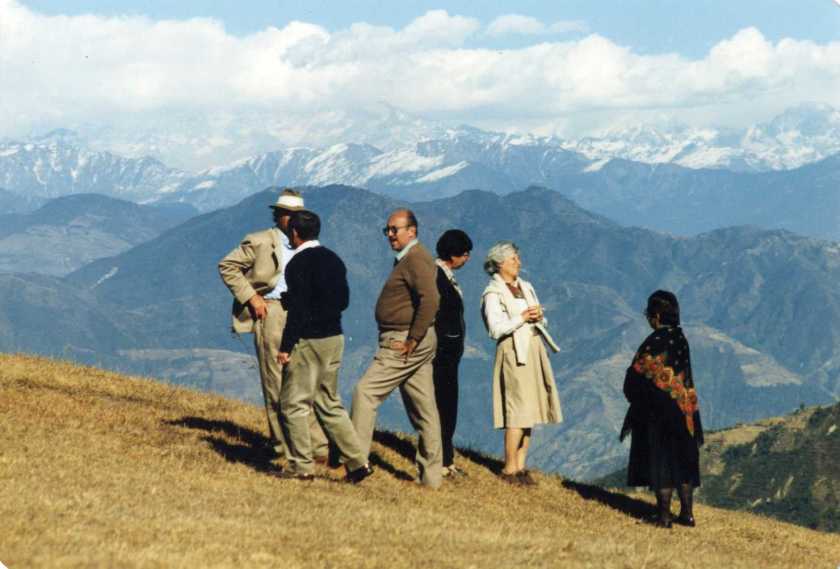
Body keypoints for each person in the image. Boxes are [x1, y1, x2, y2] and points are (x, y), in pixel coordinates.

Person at [218, 188, 328, 461]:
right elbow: (227, 266)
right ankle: (282, 445)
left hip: (301, 313)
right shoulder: (260, 241)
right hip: (272, 311)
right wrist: (252, 297)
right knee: (275, 381)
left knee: (305, 381)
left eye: (296, 214)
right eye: (287, 214)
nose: (292, 219)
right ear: (278, 215)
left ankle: (317, 446)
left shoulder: (305, 243)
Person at [275, 211, 373, 483]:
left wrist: (286, 346)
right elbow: (343, 301)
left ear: (294, 233)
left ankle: (301, 466)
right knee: (329, 402)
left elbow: (299, 311)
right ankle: (358, 462)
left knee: (293, 404)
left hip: (309, 340)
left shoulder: (297, 263)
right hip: (335, 337)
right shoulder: (333, 259)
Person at [350, 208, 443, 488]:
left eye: (395, 230)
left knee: (365, 393)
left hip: (403, 341)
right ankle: (431, 479)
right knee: (424, 409)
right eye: (387, 230)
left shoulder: (416, 259)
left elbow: (431, 299)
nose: (390, 235)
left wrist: (413, 338)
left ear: (411, 231)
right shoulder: (412, 257)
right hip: (414, 340)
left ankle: (355, 464)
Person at [480, 241, 562, 486]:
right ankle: (509, 468)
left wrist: (539, 317)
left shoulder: (526, 287)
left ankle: (521, 466)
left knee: (530, 412)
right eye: (513, 259)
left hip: (533, 349)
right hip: (514, 352)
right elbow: (495, 329)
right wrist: (523, 317)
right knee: (517, 412)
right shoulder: (493, 293)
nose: (519, 263)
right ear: (499, 263)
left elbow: (540, 322)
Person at [620, 290, 703, 528]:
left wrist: (637, 400)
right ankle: (687, 513)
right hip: (684, 410)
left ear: (656, 316)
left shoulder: (655, 341)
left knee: (661, 462)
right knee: (683, 461)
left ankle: (663, 516)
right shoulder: (680, 338)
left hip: (657, 413)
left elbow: (636, 375)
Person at [432, 229, 473, 478]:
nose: (467, 259)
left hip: (448, 352)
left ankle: (446, 457)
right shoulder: (438, 277)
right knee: (444, 404)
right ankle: (442, 459)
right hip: (442, 353)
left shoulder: (443, 275)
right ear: (454, 255)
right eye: (465, 254)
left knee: (447, 404)